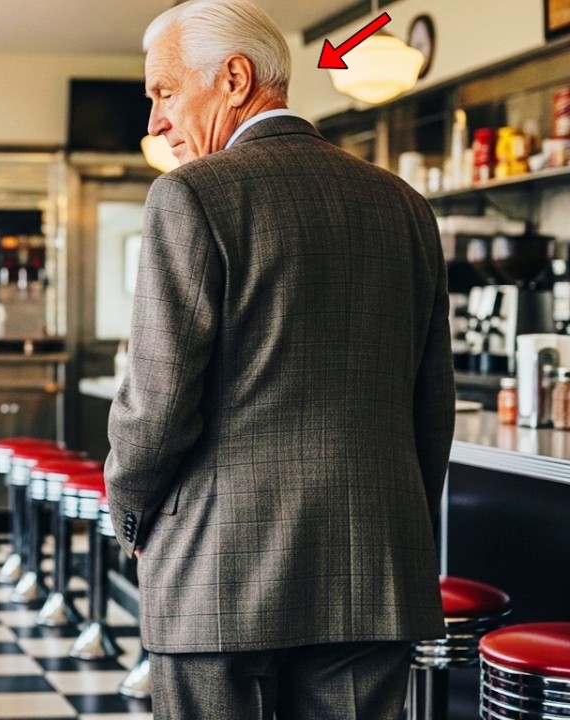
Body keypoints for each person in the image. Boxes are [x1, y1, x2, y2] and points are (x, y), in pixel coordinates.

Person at [105, 1, 455, 718]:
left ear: (235, 78)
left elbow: (156, 405)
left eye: (165, 93)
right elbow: (432, 406)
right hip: (372, 567)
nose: (155, 123)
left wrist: (132, 516)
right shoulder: (405, 205)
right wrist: (402, 524)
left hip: (215, 566)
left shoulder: (191, 196)